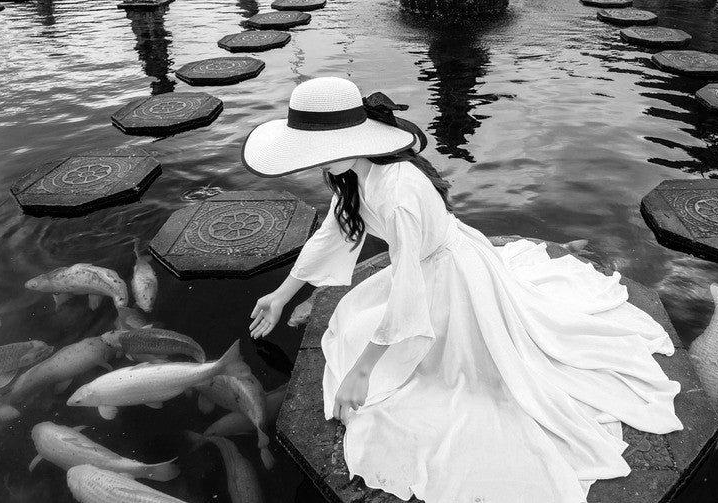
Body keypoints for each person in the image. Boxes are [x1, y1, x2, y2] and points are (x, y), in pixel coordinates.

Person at [243, 77, 682, 503]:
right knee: (363, 335)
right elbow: (333, 231)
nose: (319, 161)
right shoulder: (354, 171)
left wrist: (363, 370)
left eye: (324, 150)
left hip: (447, 275)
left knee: (454, 381)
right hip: (427, 263)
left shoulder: (397, 194)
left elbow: (410, 291)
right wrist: (282, 294)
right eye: (314, 152)